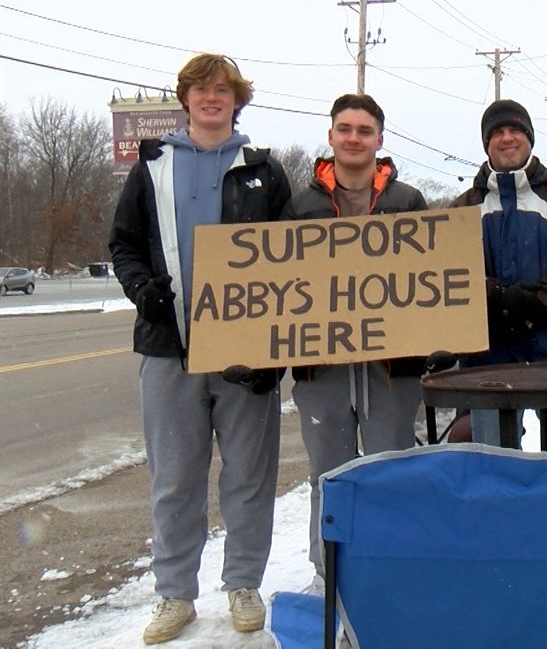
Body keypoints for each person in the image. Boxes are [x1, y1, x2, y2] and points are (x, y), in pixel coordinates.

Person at [108, 53, 291, 644]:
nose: (211, 98)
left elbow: (296, 262)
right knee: (174, 478)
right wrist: (142, 290)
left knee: (249, 475)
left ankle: (243, 583)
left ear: (237, 101)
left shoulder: (263, 171)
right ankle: (174, 593)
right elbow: (124, 244)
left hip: (245, 353)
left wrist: (275, 354)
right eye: (200, 89)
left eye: (223, 90)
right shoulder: (152, 166)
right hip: (168, 348)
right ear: (185, 98)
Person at [281, 93, 431, 588]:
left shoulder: (406, 202)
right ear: (330, 136)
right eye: (344, 129)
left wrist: (438, 340)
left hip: (392, 370)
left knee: (393, 474)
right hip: (321, 370)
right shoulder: (300, 207)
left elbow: (429, 279)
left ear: (379, 140)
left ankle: (393, 573)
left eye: (364, 130)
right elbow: (279, 288)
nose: (353, 138)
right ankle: (329, 575)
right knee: (329, 476)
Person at [450, 99, 547, 464]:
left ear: (530, 138)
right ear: (487, 143)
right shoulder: (461, 210)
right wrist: (496, 298)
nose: (507, 138)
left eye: (516, 129)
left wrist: (534, 304)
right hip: (489, 359)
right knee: (494, 467)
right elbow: (449, 273)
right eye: (498, 132)